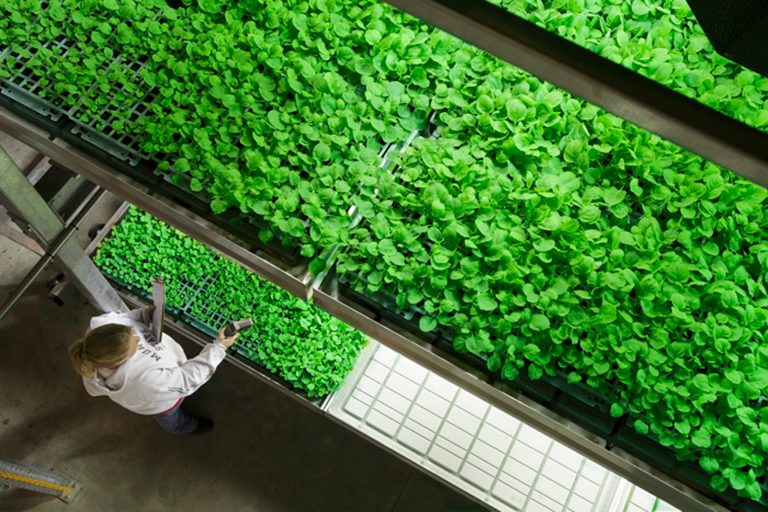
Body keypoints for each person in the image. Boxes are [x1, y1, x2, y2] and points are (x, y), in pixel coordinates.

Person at [69, 306, 239, 435]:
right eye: (134, 344)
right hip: (162, 403)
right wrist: (219, 347)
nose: (136, 337)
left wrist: (145, 314)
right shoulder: (144, 381)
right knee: (172, 419)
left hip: (161, 381)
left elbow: (127, 318)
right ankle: (185, 427)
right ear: (118, 362)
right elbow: (187, 381)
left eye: (131, 333)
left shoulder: (100, 328)